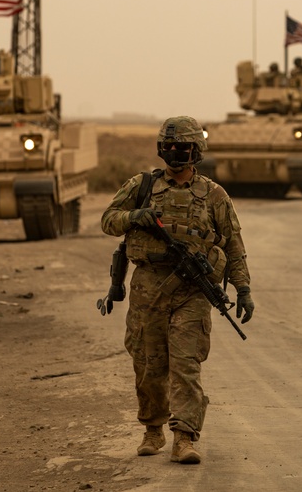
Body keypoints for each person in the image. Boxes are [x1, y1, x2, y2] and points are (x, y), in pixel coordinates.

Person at [100, 116, 255, 465]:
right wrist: (135, 217)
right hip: (148, 289)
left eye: (182, 148)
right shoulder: (141, 186)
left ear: (196, 151)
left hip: (191, 293)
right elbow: (108, 219)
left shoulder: (214, 195)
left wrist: (242, 287)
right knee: (149, 366)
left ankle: (184, 437)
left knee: (186, 365)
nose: (174, 153)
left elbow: (233, 244)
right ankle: (153, 429)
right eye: (168, 147)